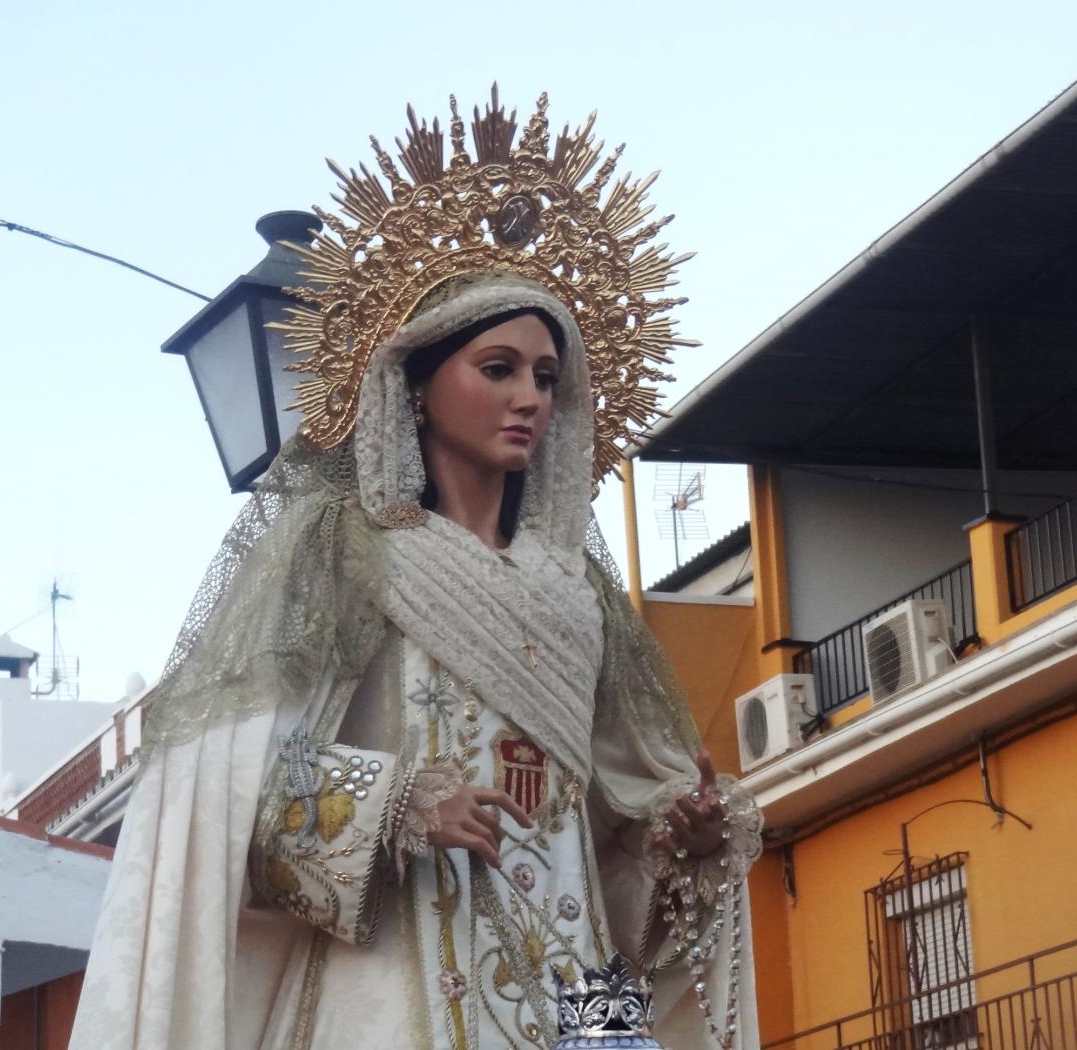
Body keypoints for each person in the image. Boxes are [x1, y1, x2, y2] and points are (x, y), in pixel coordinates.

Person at [68, 91, 763, 1050]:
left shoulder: (581, 594)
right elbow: (220, 798)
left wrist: (677, 842)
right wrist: (395, 803)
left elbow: (602, 840)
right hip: (392, 996)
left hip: (578, 1006)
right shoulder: (343, 550)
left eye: (547, 378)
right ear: (417, 384)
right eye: (498, 367)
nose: (529, 398)